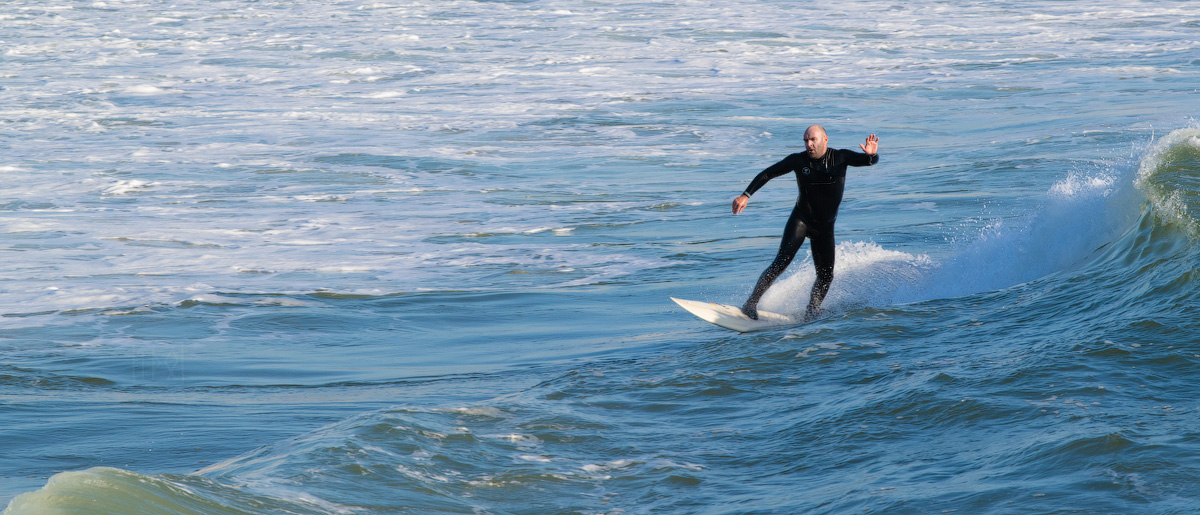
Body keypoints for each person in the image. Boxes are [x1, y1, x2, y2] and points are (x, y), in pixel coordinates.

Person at [732, 125, 879, 320]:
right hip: (801, 221)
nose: (809, 144)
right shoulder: (798, 160)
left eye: (813, 140)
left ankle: (812, 309)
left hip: (825, 227)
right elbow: (769, 173)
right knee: (780, 263)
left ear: (825, 139)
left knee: (826, 275)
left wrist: (871, 155)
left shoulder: (840, 157)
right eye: (806, 140)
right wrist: (746, 195)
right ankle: (750, 304)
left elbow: (869, 161)